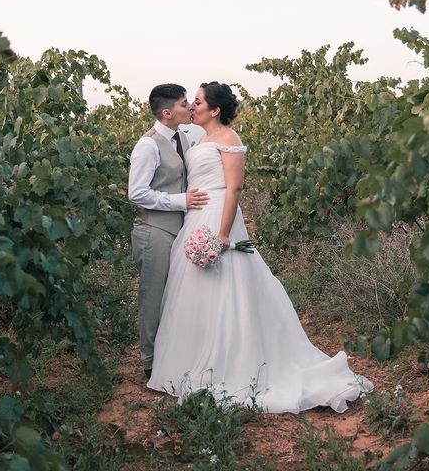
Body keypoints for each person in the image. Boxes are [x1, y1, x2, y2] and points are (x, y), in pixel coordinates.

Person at [147, 82, 373, 413]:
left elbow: (234, 188)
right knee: (194, 292)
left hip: (219, 217)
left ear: (215, 111)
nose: (192, 107)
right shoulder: (199, 139)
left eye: (197, 102)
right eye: (190, 102)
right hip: (197, 217)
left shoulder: (229, 139)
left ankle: (232, 364)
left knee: (229, 288)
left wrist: (223, 234)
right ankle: (189, 363)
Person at [128, 84, 209, 379]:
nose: (190, 108)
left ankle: (171, 357)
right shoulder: (147, 146)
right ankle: (149, 365)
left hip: (179, 230)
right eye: (184, 104)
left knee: (175, 296)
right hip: (154, 231)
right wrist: (180, 201)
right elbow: (136, 193)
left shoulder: (183, 138)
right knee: (152, 298)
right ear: (167, 112)